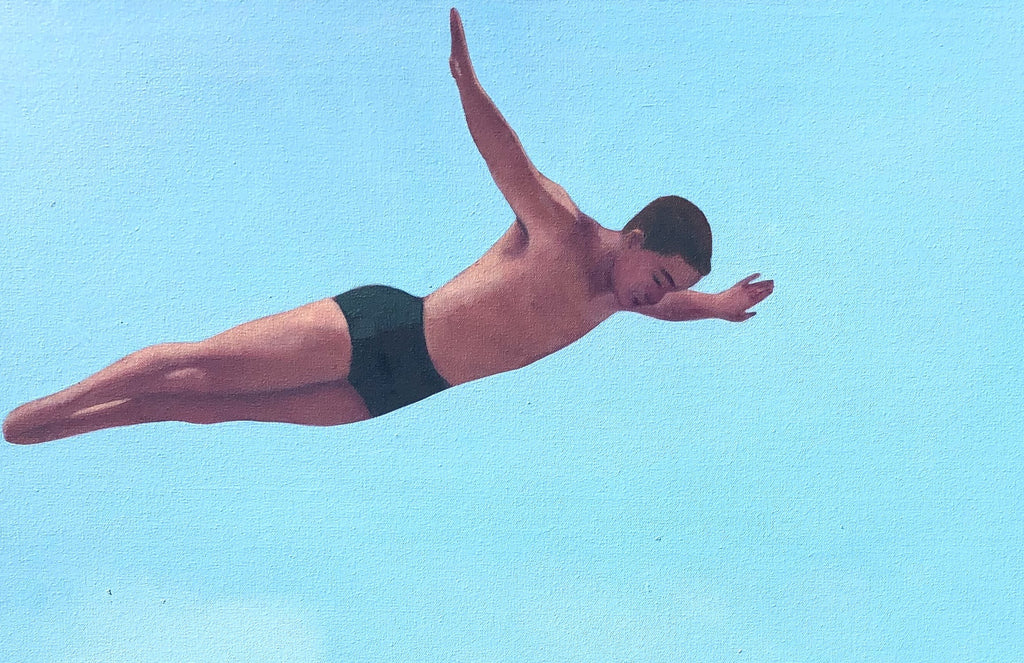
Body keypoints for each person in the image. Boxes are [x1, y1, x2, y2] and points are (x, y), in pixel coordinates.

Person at [3, 9, 773, 446]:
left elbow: (667, 307)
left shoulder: (618, 296)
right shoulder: (565, 231)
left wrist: (718, 306)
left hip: (408, 386)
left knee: (213, 404)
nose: (652, 298)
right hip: (381, 330)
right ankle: (58, 403)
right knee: (203, 363)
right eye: (660, 278)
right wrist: (467, 83)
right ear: (635, 241)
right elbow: (507, 159)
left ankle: (67, 430)